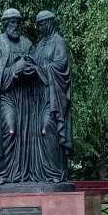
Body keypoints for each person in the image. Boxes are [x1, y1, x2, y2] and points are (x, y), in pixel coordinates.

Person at [0, 8, 33, 184]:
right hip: (5, 96)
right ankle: (2, 173)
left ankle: (23, 174)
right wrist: (13, 70)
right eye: (12, 23)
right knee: (9, 130)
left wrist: (30, 69)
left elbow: (37, 66)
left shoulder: (27, 44)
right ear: (5, 25)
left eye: (18, 23)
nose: (16, 26)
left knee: (26, 134)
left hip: (25, 98)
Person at [28, 10, 73, 182]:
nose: (39, 28)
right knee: (36, 132)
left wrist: (41, 68)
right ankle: (41, 174)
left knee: (47, 128)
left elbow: (61, 66)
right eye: (37, 25)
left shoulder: (58, 41)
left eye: (41, 24)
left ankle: (56, 173)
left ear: (49, 23)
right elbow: (37, 63)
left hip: (53, 96)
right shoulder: (39, 45)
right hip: (38, 97)